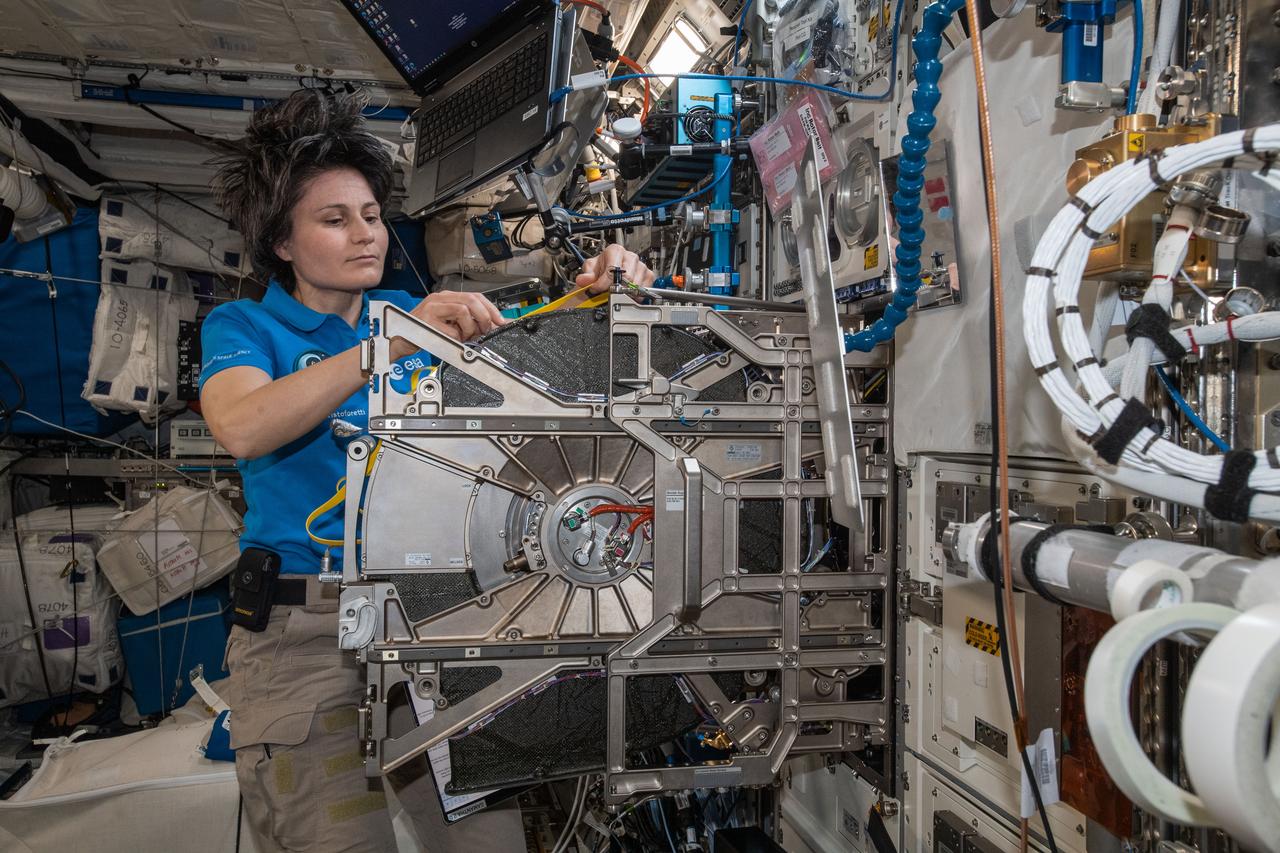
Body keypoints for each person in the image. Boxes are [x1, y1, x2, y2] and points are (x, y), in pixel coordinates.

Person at [199, 88, 654, 853]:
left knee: (491, 844)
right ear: (281, 241)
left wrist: (601, 299)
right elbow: (242, 424)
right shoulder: (247, 325)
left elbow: (542, 377)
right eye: (334, 219)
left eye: (372, 215)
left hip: (440, 622)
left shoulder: (418, 312)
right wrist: (389, 345)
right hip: (306, 638)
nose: (365, 233)